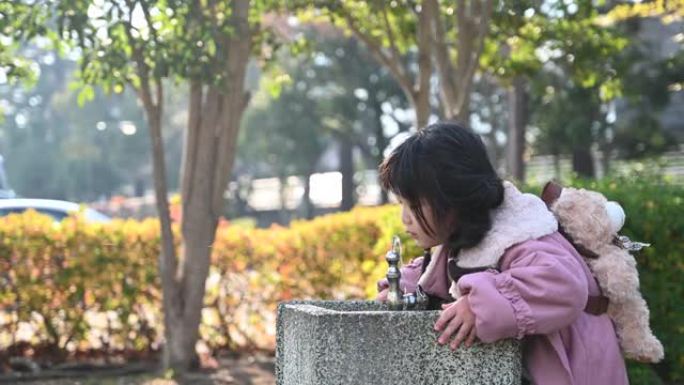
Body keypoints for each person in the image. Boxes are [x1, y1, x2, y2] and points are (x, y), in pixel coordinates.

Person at [376, 122, 628, 385]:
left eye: (414, 205)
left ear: (452, 197)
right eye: (401, 204)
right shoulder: (466, 231)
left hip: (580, 370)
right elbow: (440, 270)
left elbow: (564, 285)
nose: (405, 219)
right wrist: (404, 288)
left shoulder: (521, 235)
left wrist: (479, 305)